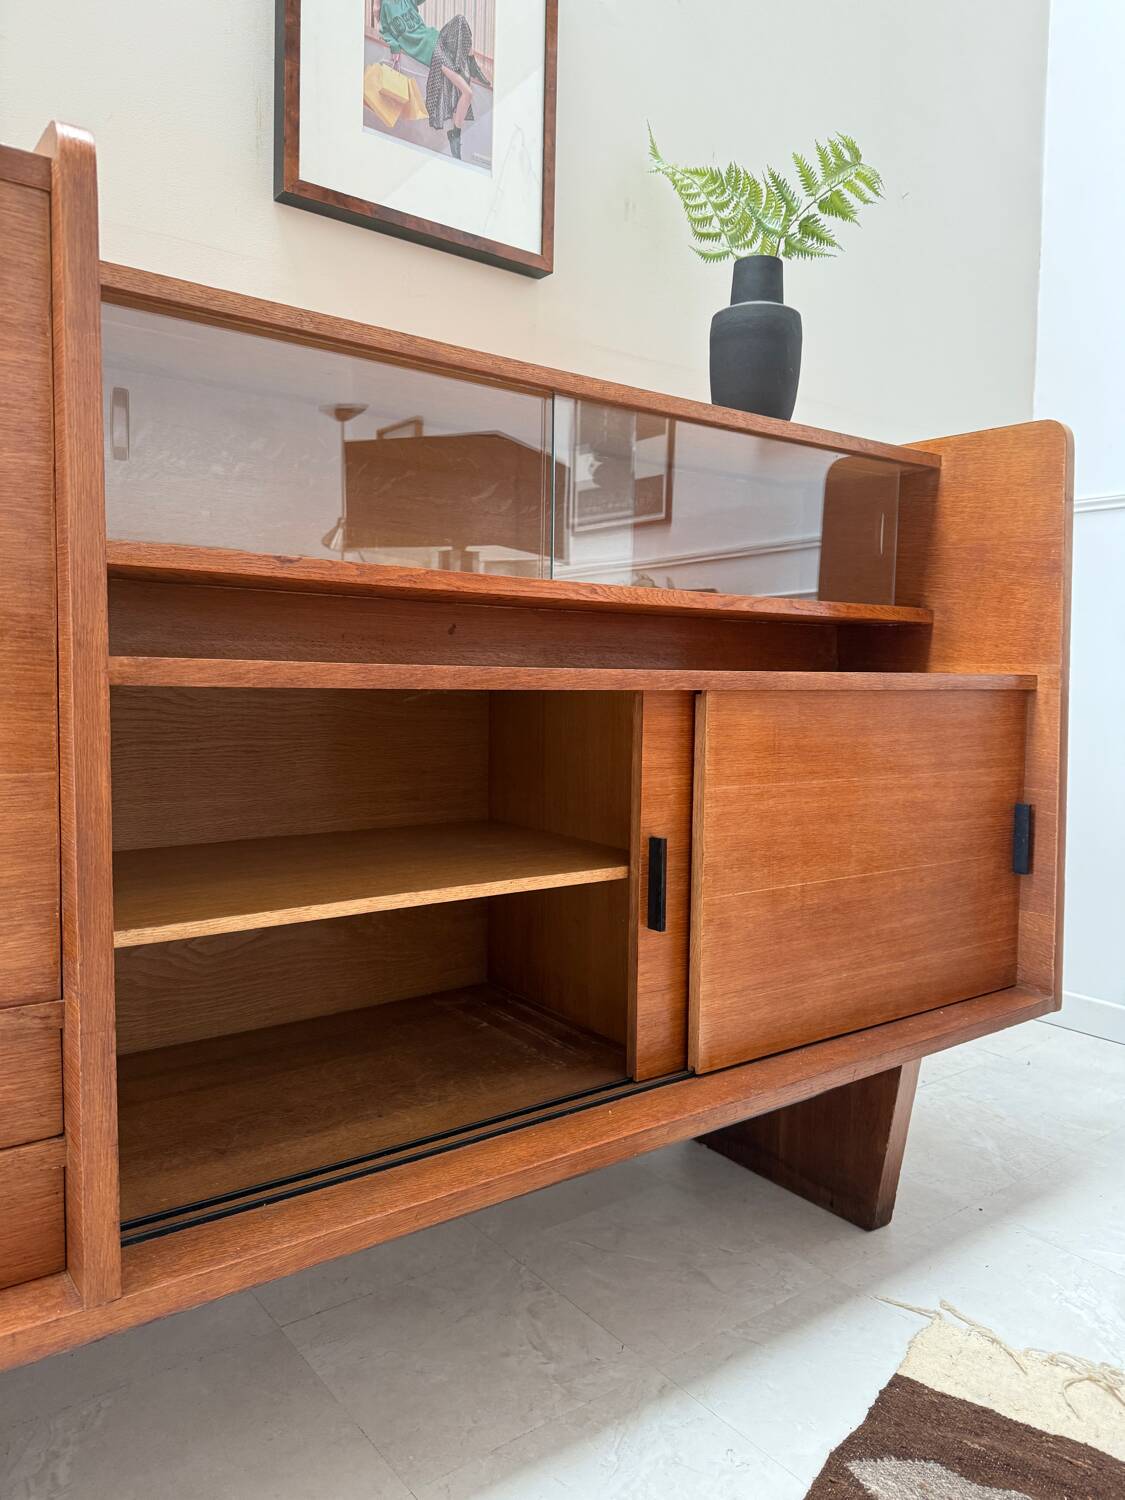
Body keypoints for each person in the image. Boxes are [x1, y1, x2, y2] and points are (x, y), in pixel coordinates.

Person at [378, 2, 489, 160]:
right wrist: (395, 46)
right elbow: (385, 31)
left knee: (460, 20)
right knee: (467, 92)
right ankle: (454, 135)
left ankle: (472, 64)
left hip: (437, 37)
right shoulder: (387, 5)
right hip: (431, 52)